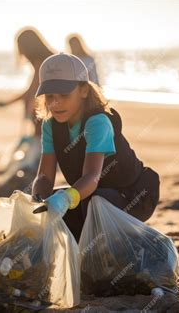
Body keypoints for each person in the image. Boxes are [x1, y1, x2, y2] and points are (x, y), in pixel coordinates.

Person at [31, 53, 160, 242]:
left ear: (83, 90)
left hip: (134, 195)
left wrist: (66, 200)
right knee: (52, 206)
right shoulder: (50, 125)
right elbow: (44, 177)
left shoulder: (97, 122)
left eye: (64, 95)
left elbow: (91, 177)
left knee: (91, 202)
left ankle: (124, 242)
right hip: (92, 195)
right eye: (49, 96)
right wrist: (38, 200)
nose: (55, 102)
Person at [0, 27, 55, 138]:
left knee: (41, 142)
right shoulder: (51, 58)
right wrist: (8, 103)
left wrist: (28, 110)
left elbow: (35, 89)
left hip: (46, 109)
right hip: (58, 106)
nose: (21, 51)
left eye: (21, 47)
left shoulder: (39, 62)